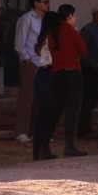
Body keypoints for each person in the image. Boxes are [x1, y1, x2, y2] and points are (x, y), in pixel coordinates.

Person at [41, 4, 90, 158]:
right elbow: (84, 50)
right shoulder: (71, 31)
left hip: (56, 74)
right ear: (70, 16)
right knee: (71, 111)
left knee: (55, 110)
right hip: (72, 74)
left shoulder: (52, 33)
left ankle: (44, 146)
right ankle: (69, 145)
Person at [13, 0, 49, 143]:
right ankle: (22, 131)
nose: (47, 5)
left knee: (41, 99)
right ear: (36, 3)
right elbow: (19, 42)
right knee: (27, 98)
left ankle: (37, 131)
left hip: (43, 63)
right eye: (45, 2)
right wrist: (26, 58)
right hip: (31, 63)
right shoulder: (27, 19)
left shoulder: (45, 21)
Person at [77, 4, 98, 139]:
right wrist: (92, 64)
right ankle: (83, 128)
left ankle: (87, 126)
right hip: (90, 70)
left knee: (94, 99)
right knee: (88, 99)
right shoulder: (88, 30)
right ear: (96, 15)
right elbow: (83, 51)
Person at [30, 11, 60, 161]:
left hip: (42, 74)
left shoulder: (42, 37)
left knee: (42, 115)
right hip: (49, 74)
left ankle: (39, 149)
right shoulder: (52, 37)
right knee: (47, 115)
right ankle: (43, 148)